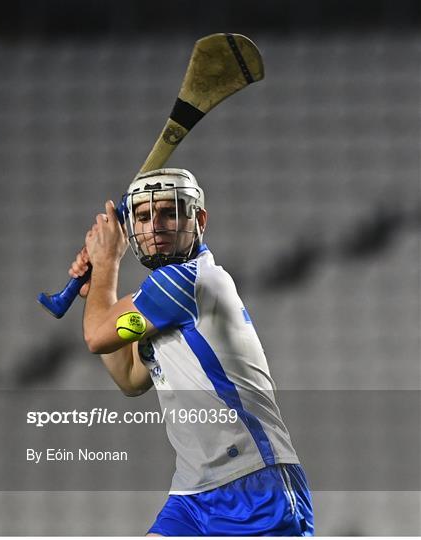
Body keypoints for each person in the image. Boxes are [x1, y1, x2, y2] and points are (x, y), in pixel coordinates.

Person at [69, 168, 314, 536]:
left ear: (197, 220)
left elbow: (96, 336)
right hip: (192, 492)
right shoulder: (157, 302)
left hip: (253, 482)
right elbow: (130, 378)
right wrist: (98, 288)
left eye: (170, 212)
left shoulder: (185, 281)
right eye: (144, 216)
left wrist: (105, 263)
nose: (156, 226)